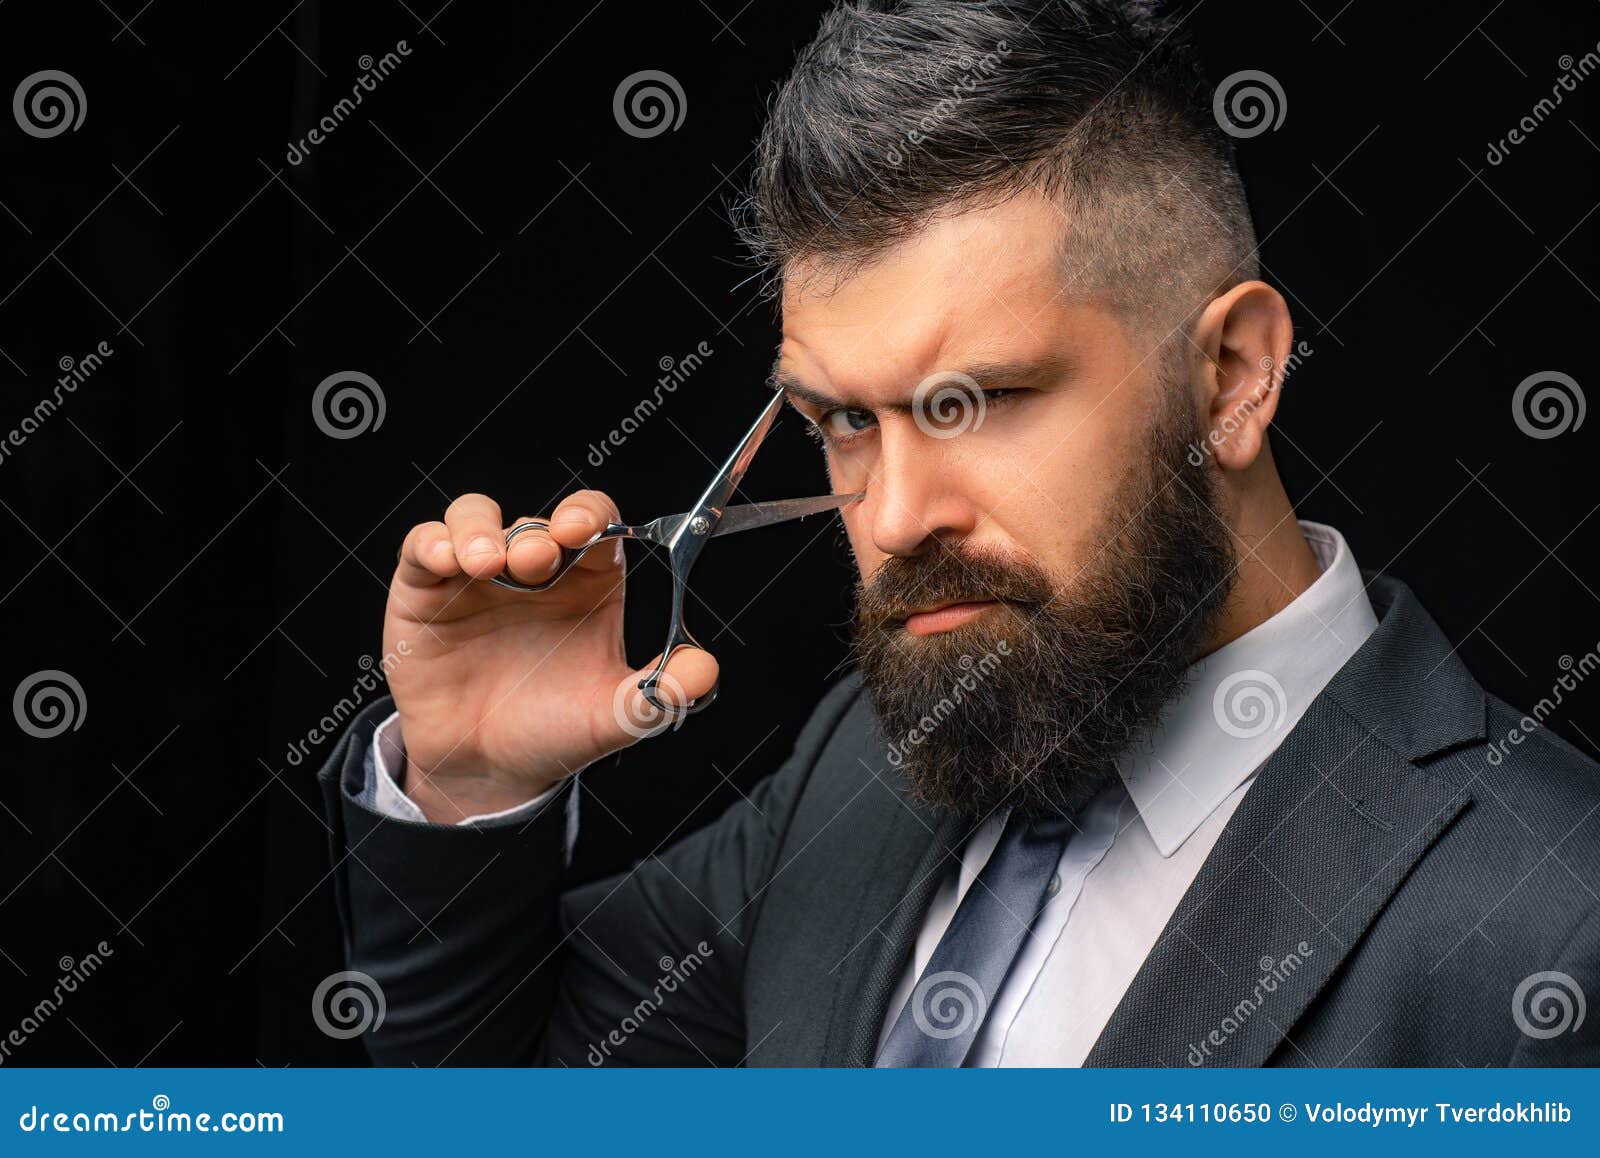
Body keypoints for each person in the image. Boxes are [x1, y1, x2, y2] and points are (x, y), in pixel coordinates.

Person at [318, 0, 1600, 1066]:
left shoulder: (1551, 913)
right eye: (842, 423)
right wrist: (473, 786)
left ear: (1231, 378)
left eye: (975, 404)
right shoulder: (860, 771)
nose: (889, 516)